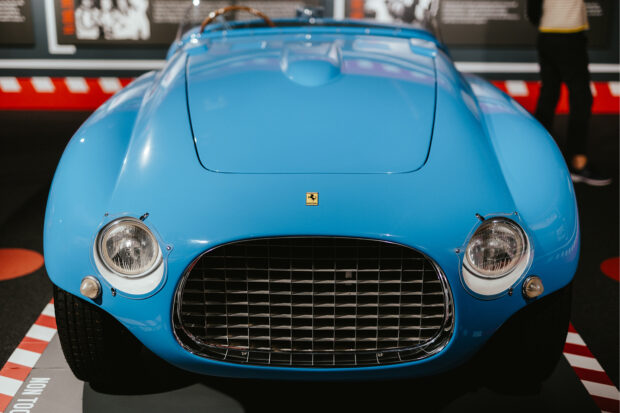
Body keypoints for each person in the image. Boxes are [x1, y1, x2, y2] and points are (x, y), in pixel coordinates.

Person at [527, 0, 611, 186]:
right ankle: (577, 162)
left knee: (549, 93)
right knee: (581, 97)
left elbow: (533, 9)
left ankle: (536, 156)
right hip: (569, 35)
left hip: (547, 33)